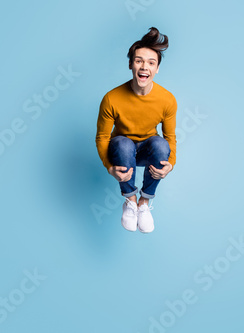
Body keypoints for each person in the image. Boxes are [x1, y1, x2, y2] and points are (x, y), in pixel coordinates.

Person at [95, 27, 177, 233]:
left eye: (151, 62)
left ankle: (144, 203)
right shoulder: (111, 98)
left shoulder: (167, 100)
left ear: (157, 68)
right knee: (122, 142)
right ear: (131, 64)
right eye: (139, 60)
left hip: (149, 151)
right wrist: (108, 167)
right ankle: (130, 200)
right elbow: (103, 136)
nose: (144, 67)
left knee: (160, 143)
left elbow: (170, 137)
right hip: (122, 152)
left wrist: (171, 164)